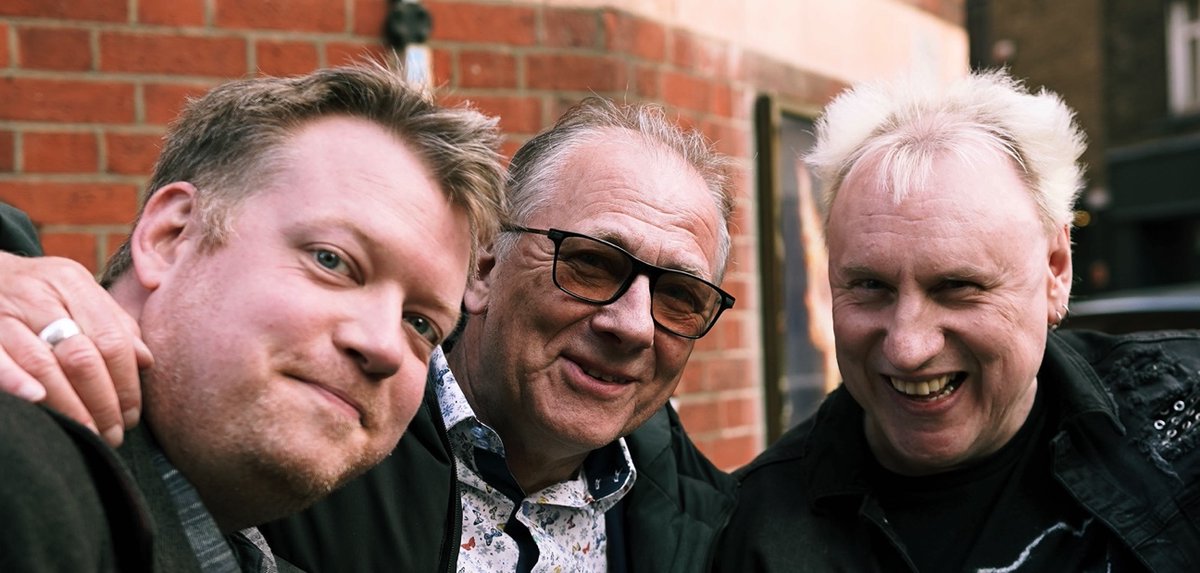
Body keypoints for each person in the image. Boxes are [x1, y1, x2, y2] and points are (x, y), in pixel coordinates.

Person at [0, 97, 739, 571]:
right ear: (487, 269)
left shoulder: (725, 530)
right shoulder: (46, 469)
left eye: (421, 320)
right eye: (334, 262)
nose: (631, 323)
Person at [0, 62, 506, 571]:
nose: (384, 346)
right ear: (171, 236)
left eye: (421, 324)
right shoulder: (27, 475)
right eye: (331, 260)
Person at [714, 70, 1200, 571]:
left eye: (957, 288)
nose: (907, 346)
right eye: (869, 287)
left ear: (1055, 270)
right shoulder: (750, 535)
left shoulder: (1186, 421)